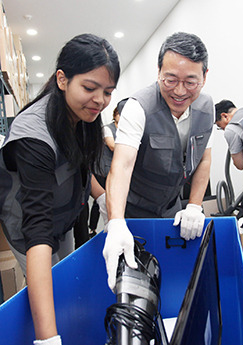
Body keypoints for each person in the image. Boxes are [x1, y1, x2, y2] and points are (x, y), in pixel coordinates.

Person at [0, 33, 120, 344]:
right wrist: (47, 338)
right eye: (90, 88)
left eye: (108, 92)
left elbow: (80, 167)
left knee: (67, 278)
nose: (100, 100)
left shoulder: (83, 115)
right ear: (62, 79)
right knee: (47, 288)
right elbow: (36, 229)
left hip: (63, 216)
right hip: (30, 226)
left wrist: (104, 198)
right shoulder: (32, 134)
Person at [103, 32, 215, 291]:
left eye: (190, 82)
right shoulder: (138, 107)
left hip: (171, 209)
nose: (179, 91)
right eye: (171, 79)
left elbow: (204, 159)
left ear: (205, 77)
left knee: (172, 278)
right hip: (134, 210)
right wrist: (116, 220)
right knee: (134, 282)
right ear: (158, 72)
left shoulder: (207, 107)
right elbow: (122, 164)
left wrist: (195, 206)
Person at [88, 104, 121, 237]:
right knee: (100, 198)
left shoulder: (125, 130)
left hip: (115, 170)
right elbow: (112, 146)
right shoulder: (107, 129)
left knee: (114, 197)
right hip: (103, 170)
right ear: (115, 116)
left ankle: (113, 222)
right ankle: (92, 228)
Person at [215, 99, 243, 170]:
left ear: (225, 116)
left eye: (220, 126)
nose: (223, 129)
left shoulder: (231, 128)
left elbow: (240, 164)